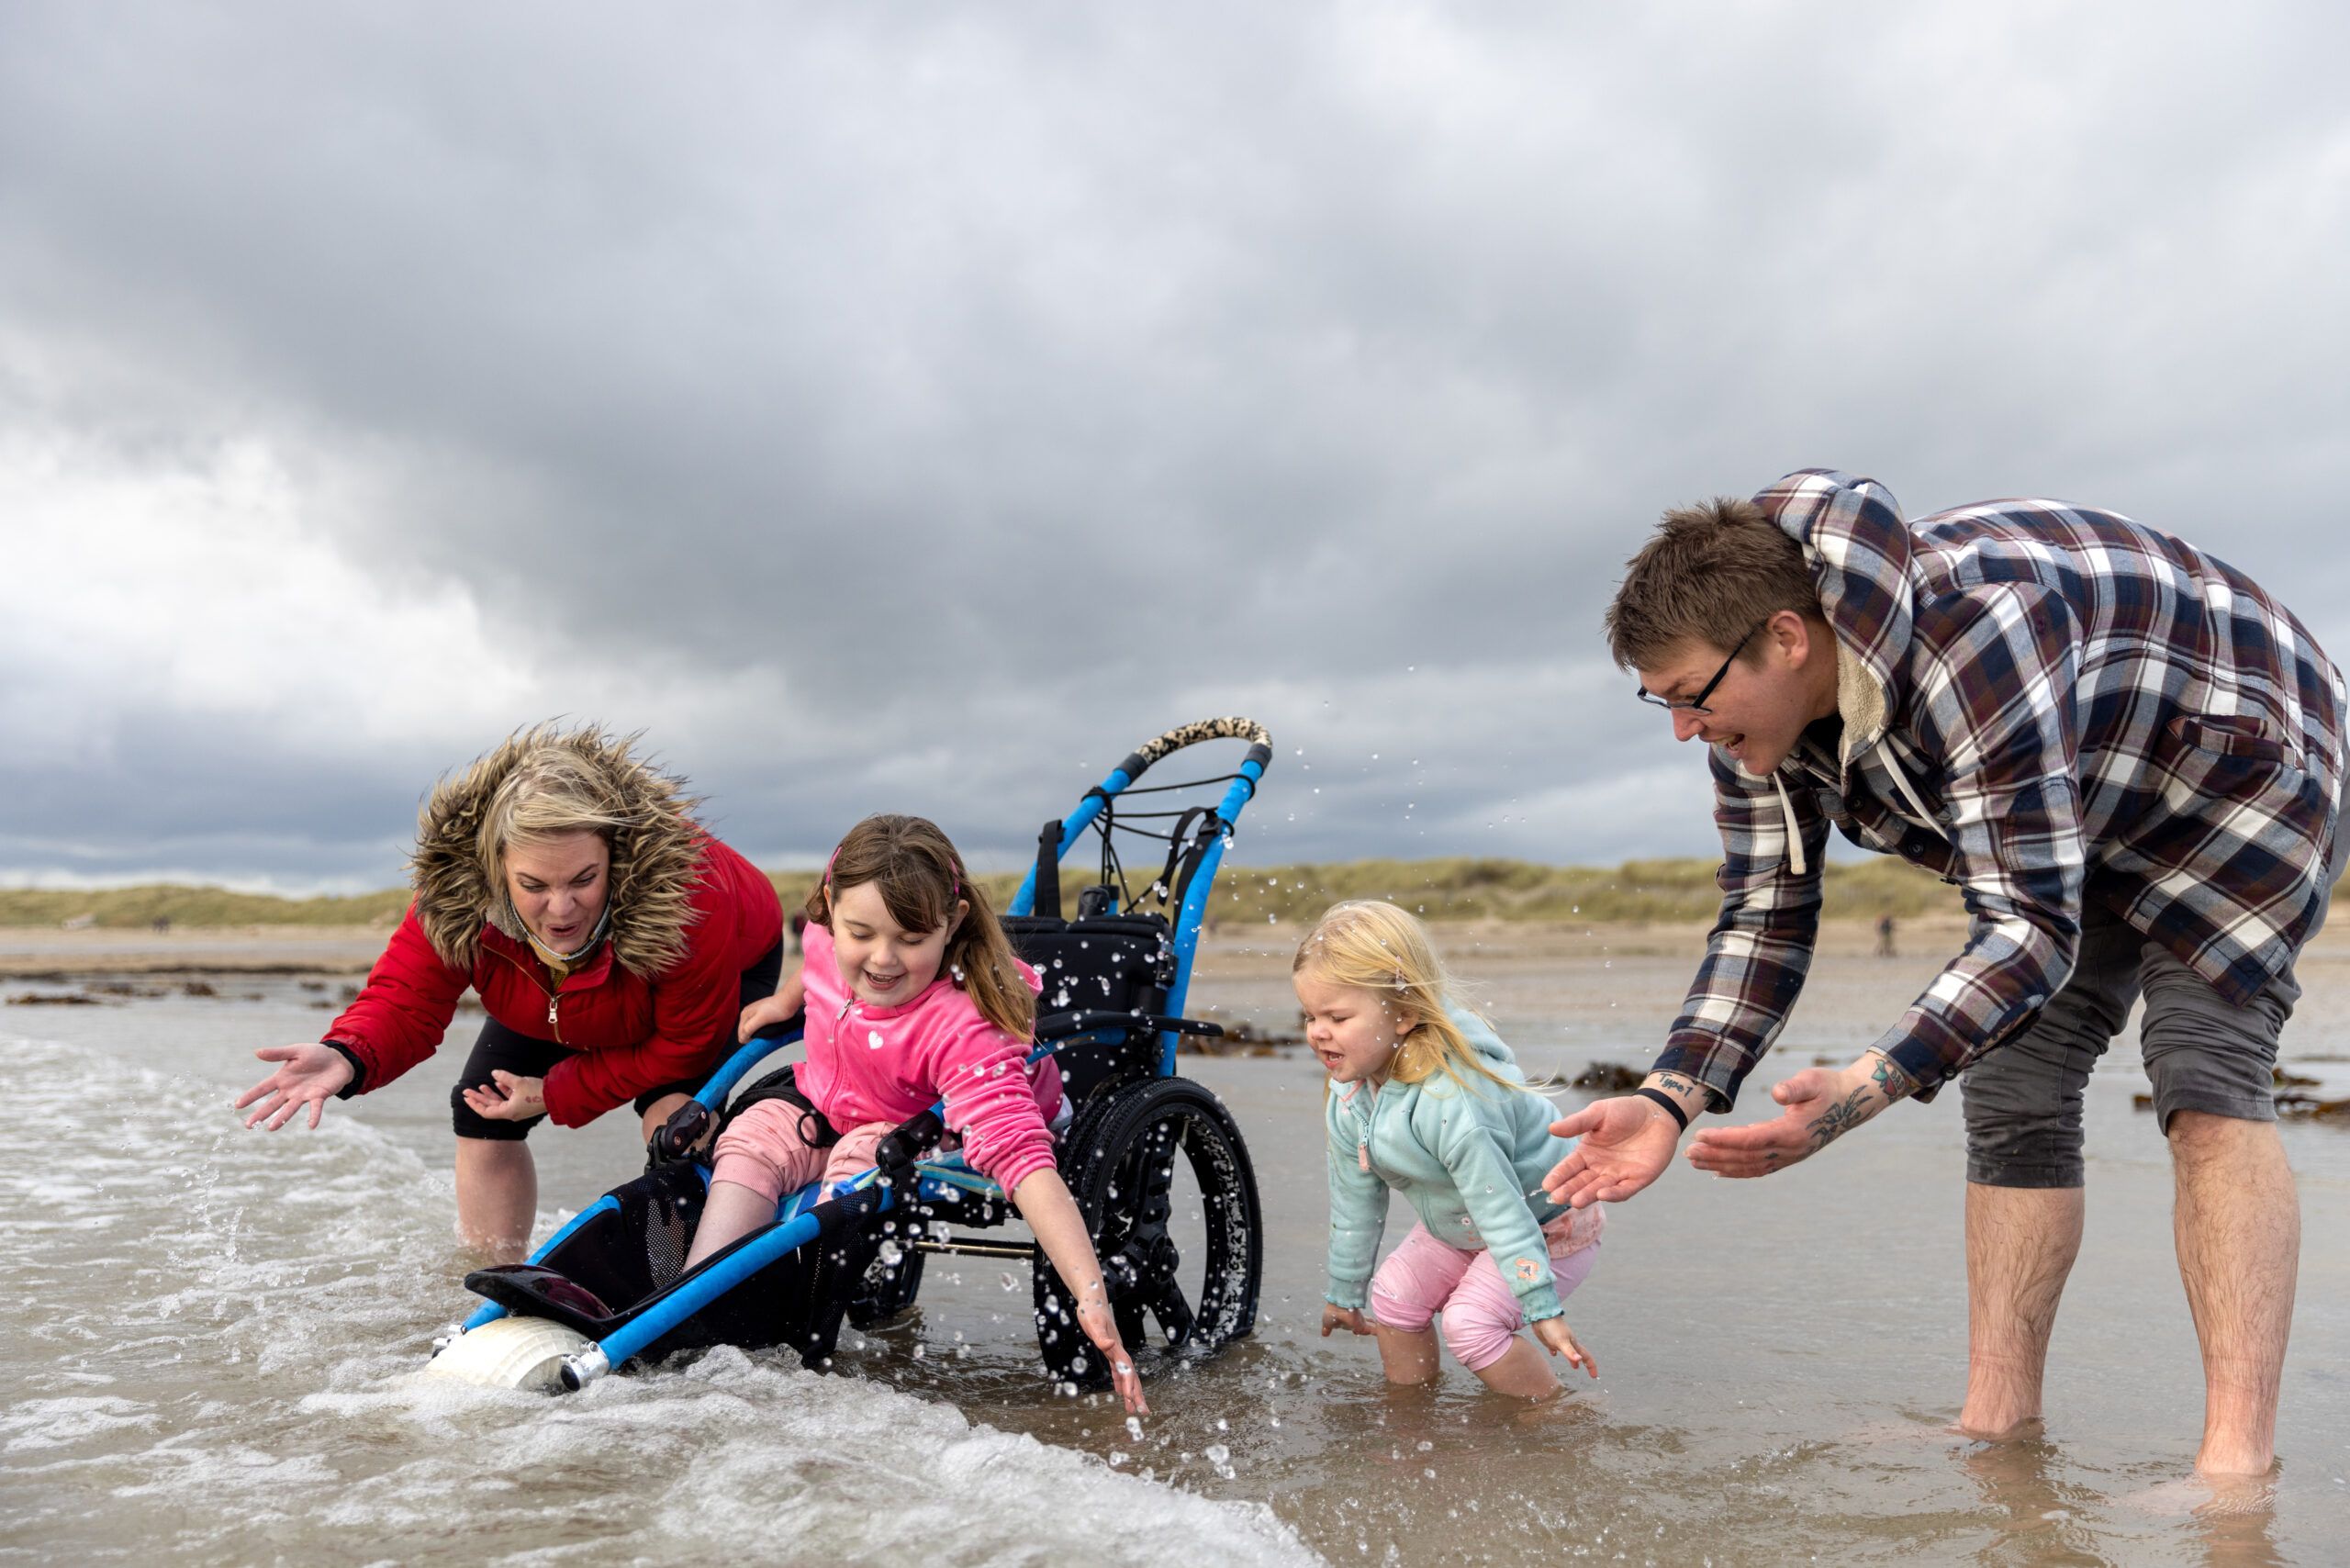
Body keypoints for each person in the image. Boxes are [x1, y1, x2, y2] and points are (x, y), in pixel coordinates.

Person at [1545, 470, 2345, 1478]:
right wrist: (1667, 1096)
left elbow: (2026, 932)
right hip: (2082, 789)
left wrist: (1861, 1087)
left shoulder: (1976, 632)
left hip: (2241, 759)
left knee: (2203, 1071)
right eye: (1656, 702)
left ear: (1786, 639)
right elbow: (1762, 914)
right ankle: (1995, 1417)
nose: (1679, 729)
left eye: (1689, 697)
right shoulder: (1751, 723)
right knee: (2011, 1080)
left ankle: (2235, 1465)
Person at [233, 725, 784, 1261]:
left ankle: (701, 1275)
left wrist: (554, 1092)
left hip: (699, 974)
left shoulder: (689, 896)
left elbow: (683, 1045)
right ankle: (490, 1272)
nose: (562, 909)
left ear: (615, 855)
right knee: (482, 1109)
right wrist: (347, 1054)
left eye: (584, 879)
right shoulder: (456, 898)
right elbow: (405, 999)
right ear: (495, 868)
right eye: (534, 886)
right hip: (546, 993)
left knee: (676, 1123)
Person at [685, 813, 1148, 1415]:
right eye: (862, 933)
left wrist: (1090, 1292)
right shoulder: (830, 940)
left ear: (950, 925)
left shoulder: (968, 1024)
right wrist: (783, 1000)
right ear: (828, 908)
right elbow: (820, 960)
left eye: (910, 940)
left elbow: (1019, 1157)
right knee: (750, 1134)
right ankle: (699, 1300)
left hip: (948, 1128)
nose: (882, 959)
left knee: (862, 1161)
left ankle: (800, 1340)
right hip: (835, 1104)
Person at [1305, 901, 1605, 1398]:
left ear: (1403, 1014)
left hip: (1546, 1223)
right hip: (1461, 1224)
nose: (1317, 1031)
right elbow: (1355, 1196)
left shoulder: (1453, 1100)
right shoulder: (1351, 1096)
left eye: (1337, 1016)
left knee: (1469, 1325)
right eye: (1310, 1015)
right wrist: (1344, 1289)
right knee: (1395, 1297)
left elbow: (1500, 1206)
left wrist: (1542, 1307)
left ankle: (1555, 1424)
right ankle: (1412, 1420)